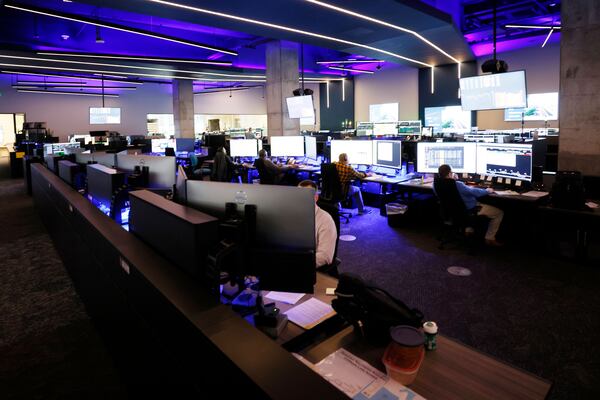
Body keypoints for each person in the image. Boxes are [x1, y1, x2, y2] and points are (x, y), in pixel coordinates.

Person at [437, 164, 504, 246]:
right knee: (499, 213)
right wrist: (487, 190)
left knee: (465, 211)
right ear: (450, 173)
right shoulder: (458, 184)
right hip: (469, 210)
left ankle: (468, 231)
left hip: (450, 213)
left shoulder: (436, 184)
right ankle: (489, 238)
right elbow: (475, 192)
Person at [298, 180, 337, 269]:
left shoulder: (325, 220)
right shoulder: (291, 215)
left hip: (309, 268)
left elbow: (325, 256)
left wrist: (297, 264)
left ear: (316, 198)